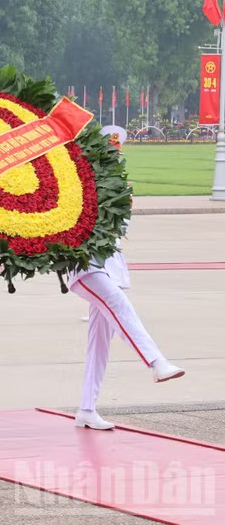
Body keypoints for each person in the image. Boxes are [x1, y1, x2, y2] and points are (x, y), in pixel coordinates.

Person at [67, 125, 184, 431]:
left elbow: (121, 229)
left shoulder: (122, 188)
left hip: (110, 265)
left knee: (99, 344)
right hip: (85, 265)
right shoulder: (79, 183)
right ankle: (156, 362)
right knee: (119, 305)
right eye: (108, 153)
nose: (113, 158)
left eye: (117, 153)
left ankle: (86, 409)